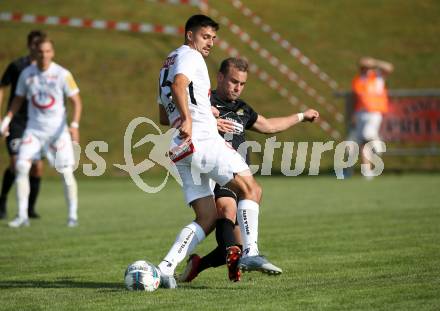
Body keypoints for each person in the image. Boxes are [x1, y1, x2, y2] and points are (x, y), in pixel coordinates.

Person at [156, 15, 280, 288]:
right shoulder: (191, 56)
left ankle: (165, 268)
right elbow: (179, 84)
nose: (210, 42)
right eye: (205, 36)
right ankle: (251, 253)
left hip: (181, 147)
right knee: (251, 189)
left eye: (213, 38)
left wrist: (197, 111)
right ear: (190, 35)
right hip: (202, 139)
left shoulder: (167, 62)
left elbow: (164, 117)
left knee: (207, 217)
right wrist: (193, 119)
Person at [178, 57, 319, 282]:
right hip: (217, 171)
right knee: (226, 210)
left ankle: (198, 264)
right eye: (233, 81)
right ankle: (236, 259)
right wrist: (208, 122)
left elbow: (269, 125)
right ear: (220, 77)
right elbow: (181, 119)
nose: (237, 87)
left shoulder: (242, 108)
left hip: (241, 175)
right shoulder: (205, 102)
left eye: (242, 84)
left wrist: (301, 116)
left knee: (236, 245)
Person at [0, 37, 82, 228]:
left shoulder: (63, 74)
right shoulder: (27, 74)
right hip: (34, 131)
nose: (44, 55)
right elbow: (17, 99)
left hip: (57, 133)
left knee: (66, 173)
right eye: (40, 52)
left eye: (47, 51)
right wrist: (6, 120)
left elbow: (76, 101)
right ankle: (22, 216)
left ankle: (72, 216)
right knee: (21, 166)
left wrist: (75, 125)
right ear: (34, 53)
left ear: (52, 53)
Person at [0, 30, 47, 220]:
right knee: (17, 164)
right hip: (17, 122)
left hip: (38, 124)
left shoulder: (49, 71)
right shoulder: (17, 66)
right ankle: (2, 199)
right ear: (29, 46)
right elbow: (2, 87)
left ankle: (30, 208)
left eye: (41, 46)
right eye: (35, 45)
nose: (38, 49)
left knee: (37, 167)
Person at [350, 57, 393, 178]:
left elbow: (389, 67)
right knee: (363, 143)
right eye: (363, 67)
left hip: (374, 111)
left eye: (367, 67)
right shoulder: (357, 80)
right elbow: (356, 98)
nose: (365, 69)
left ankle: (377, 142)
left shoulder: (377, 76)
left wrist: (375, 62)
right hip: (360, 112)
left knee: (368, 135)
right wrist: (354, 114)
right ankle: (367, 170)